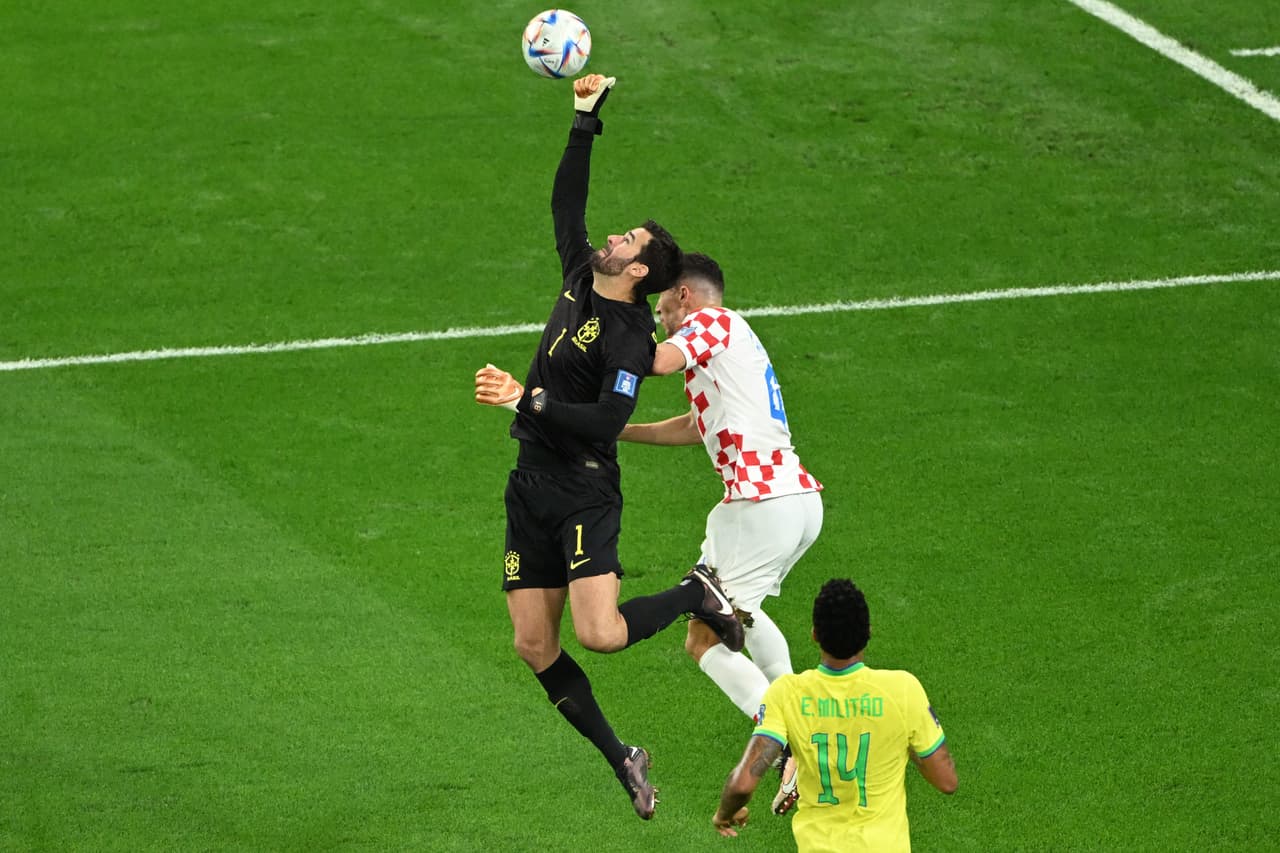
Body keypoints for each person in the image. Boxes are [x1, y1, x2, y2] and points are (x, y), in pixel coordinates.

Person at [472, 74, 744, 821]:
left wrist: (528, 399)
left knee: (600, 633)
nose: (612, 238)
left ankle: (697, 593)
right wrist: (583, 118)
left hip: (584, 488)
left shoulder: (628, 336)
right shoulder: (580, 274)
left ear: (639, 272)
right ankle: (624, 756)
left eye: (627, 241)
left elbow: (606, 418)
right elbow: (566, 203)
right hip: (530, 482)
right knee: (533, 645)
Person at [619, 252, 824, 812]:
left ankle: (792, 744)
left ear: (683, 294)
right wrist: (618, 431)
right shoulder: (731, 343)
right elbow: (694, 426)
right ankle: (799, 724)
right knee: (741, 613)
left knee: (704, 637)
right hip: (790, 499)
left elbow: (656, 361)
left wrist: (615, 326)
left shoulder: (713, 320)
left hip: (762, 503)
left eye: (661, 307)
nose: (660, 318)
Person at [711, 579, 958, 851]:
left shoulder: (787, 694)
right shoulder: (903, 690)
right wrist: (906, 743)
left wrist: (725, 813)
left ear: (815, 634)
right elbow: (946, 780)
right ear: (868, 632)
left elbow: (743, 784)